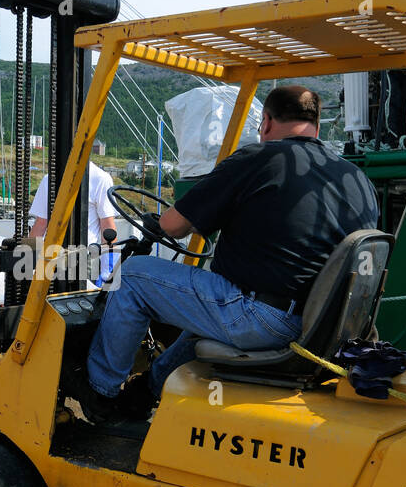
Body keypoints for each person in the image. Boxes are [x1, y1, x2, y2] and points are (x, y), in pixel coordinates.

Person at [71, 85, 379, 423]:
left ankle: (100, 391)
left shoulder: (258, 159)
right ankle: (144, 394)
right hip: (320, 324)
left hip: (262, 317)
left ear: (264, 122)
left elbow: (173, 225)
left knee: (133, 277)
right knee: (208, 317)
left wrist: (159, 223)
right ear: (317, 126)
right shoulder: (355, 176)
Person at [28, 160, 118, 245]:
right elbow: (40, 224)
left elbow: (107, 228)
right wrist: (27, 257)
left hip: (83, 256)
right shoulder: (48, 179)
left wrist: (110, 261)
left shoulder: (100, 179)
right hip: (51, 255)